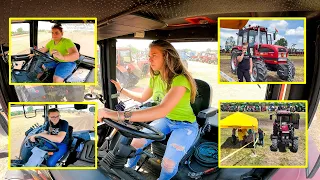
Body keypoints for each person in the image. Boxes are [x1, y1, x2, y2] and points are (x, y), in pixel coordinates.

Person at [98, 40, 198, 180]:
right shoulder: (156, 77)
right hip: (166, 119)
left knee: (168, 164)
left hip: (185, 125)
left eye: (154, 55)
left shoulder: (180, 80)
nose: (149, 59)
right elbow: (142, 98)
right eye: (149, 55)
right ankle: (127, 172)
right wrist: (121, 89)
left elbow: (162, 109)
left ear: (167, 56)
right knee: (135, 143)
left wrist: (114, 114)